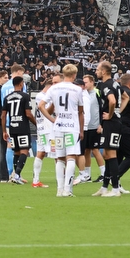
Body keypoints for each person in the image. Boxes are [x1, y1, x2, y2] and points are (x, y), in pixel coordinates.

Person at [46, 64, 84, 197]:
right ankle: (68, 190)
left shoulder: (54, 88)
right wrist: (81, 130)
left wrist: (52, 120)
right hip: (72, 126)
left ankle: (59, 190)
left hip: (58, 127)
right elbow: (80, 112)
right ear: (74, 75)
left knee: (60, 159)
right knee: (71, 157)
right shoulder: (77, 90)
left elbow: (40, 106)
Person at [93, 61, 123, 197]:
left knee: (111, 155)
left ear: (104, 71)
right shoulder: (116, 83)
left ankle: (115, 189)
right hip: (112, 122)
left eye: (98, 70)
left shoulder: (106, 85)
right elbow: (126, 97)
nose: (96, 72)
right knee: (106, 154)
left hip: (112, 123)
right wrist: (117, 112)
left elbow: (112, 101)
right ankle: (105, 187)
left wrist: (111, 114)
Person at [2, 75, 34, 185]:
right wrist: (37, 124)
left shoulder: (7, 97)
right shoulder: (25, 96)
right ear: (21, 84)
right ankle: (16, 175)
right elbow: (28, 114)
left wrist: (4, 131)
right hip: (23, 127)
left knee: (16, 152)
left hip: (12, 127)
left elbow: (3, 115)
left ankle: (17, 175)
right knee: (24, 151)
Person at [76, 74, 105, 184]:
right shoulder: (84, 94)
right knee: (86, 151)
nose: (84, 84)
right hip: (86, 127)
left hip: (94, 126)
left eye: (86, 82)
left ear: (92, 82)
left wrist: (101, 124)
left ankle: (103, 173)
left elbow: (102, 109)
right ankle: (87, 175)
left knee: (95, 150)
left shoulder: (97, 93)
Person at [31, 72, 58, 188]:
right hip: (47, 129)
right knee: (57, 155)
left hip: (43, 128)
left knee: (41, 153)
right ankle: (61, 180)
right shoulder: (42, 96)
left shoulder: (42, 96)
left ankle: (36, 181)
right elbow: (48, 111)